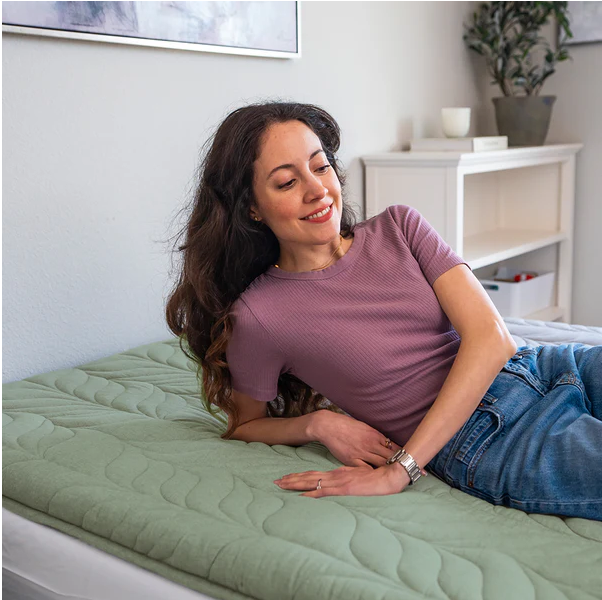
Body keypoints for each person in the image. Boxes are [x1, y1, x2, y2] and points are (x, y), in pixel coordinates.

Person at [165, 100, 602, 521]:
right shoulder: (259, 316)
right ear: (252, 208)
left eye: (320, 167)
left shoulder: (399, 226)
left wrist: (400, 466)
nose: (318, 189)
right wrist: (321, 426)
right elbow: (244, 424)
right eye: (286, 182)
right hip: (488, 437)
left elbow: (491, 336)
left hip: (543, 365)